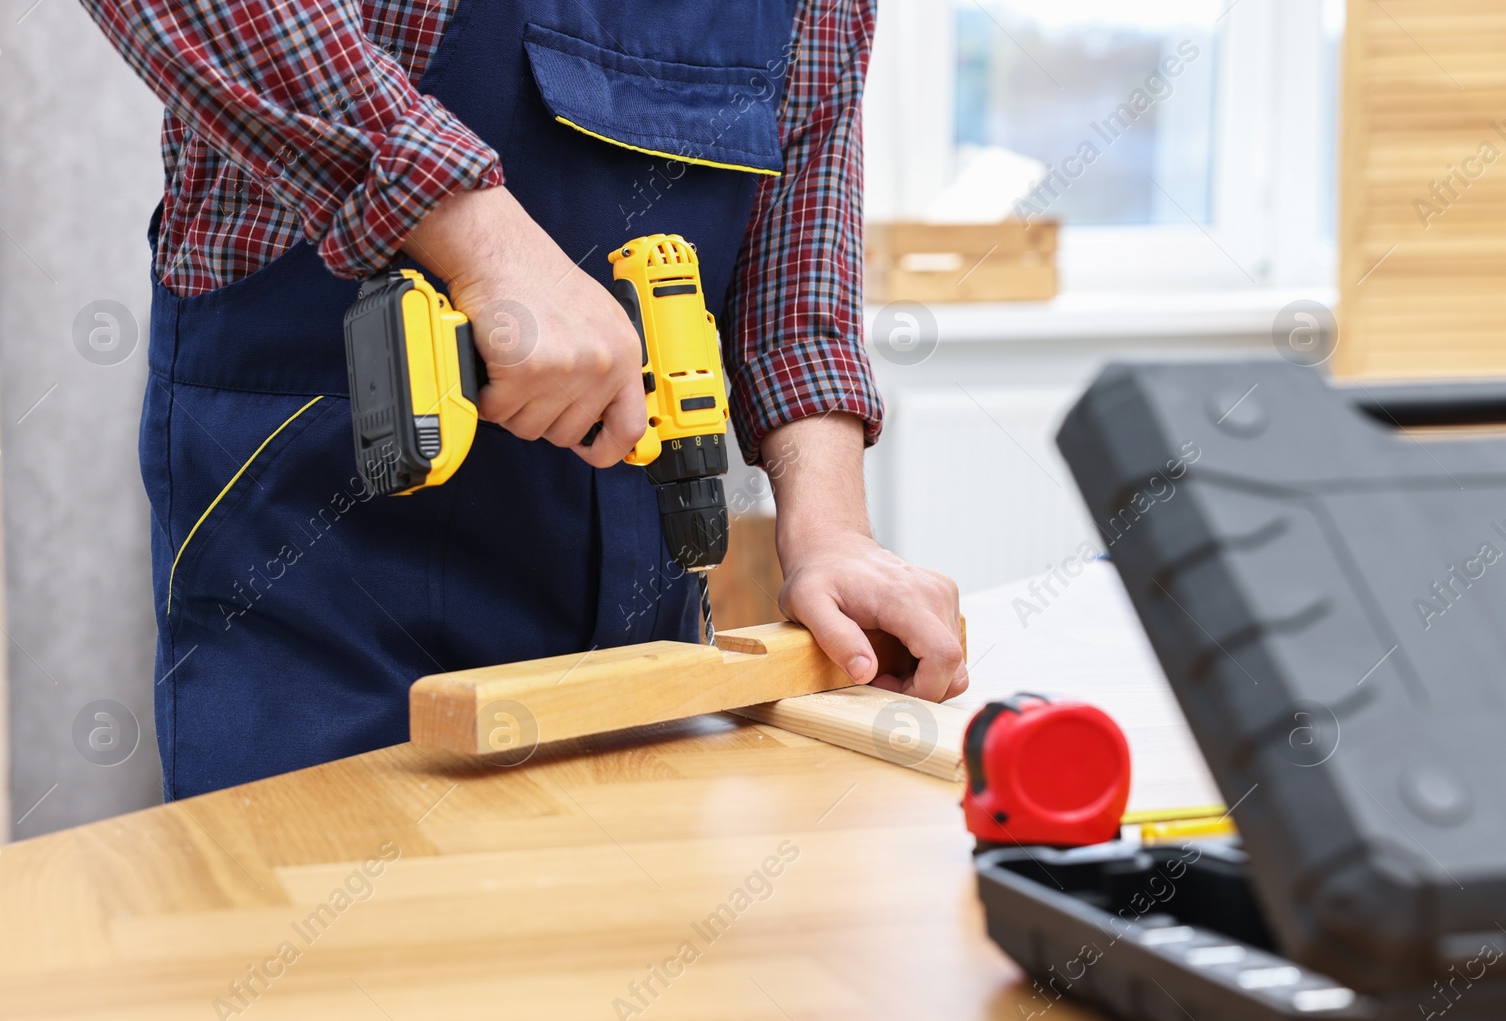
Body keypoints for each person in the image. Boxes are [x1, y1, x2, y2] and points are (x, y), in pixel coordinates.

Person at [80, 0, 968, 799]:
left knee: (619, 948)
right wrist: (480, 240)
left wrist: (830, 527)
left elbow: (802, 196)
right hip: (323, 550)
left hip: (638, 606)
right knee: (324, 950)